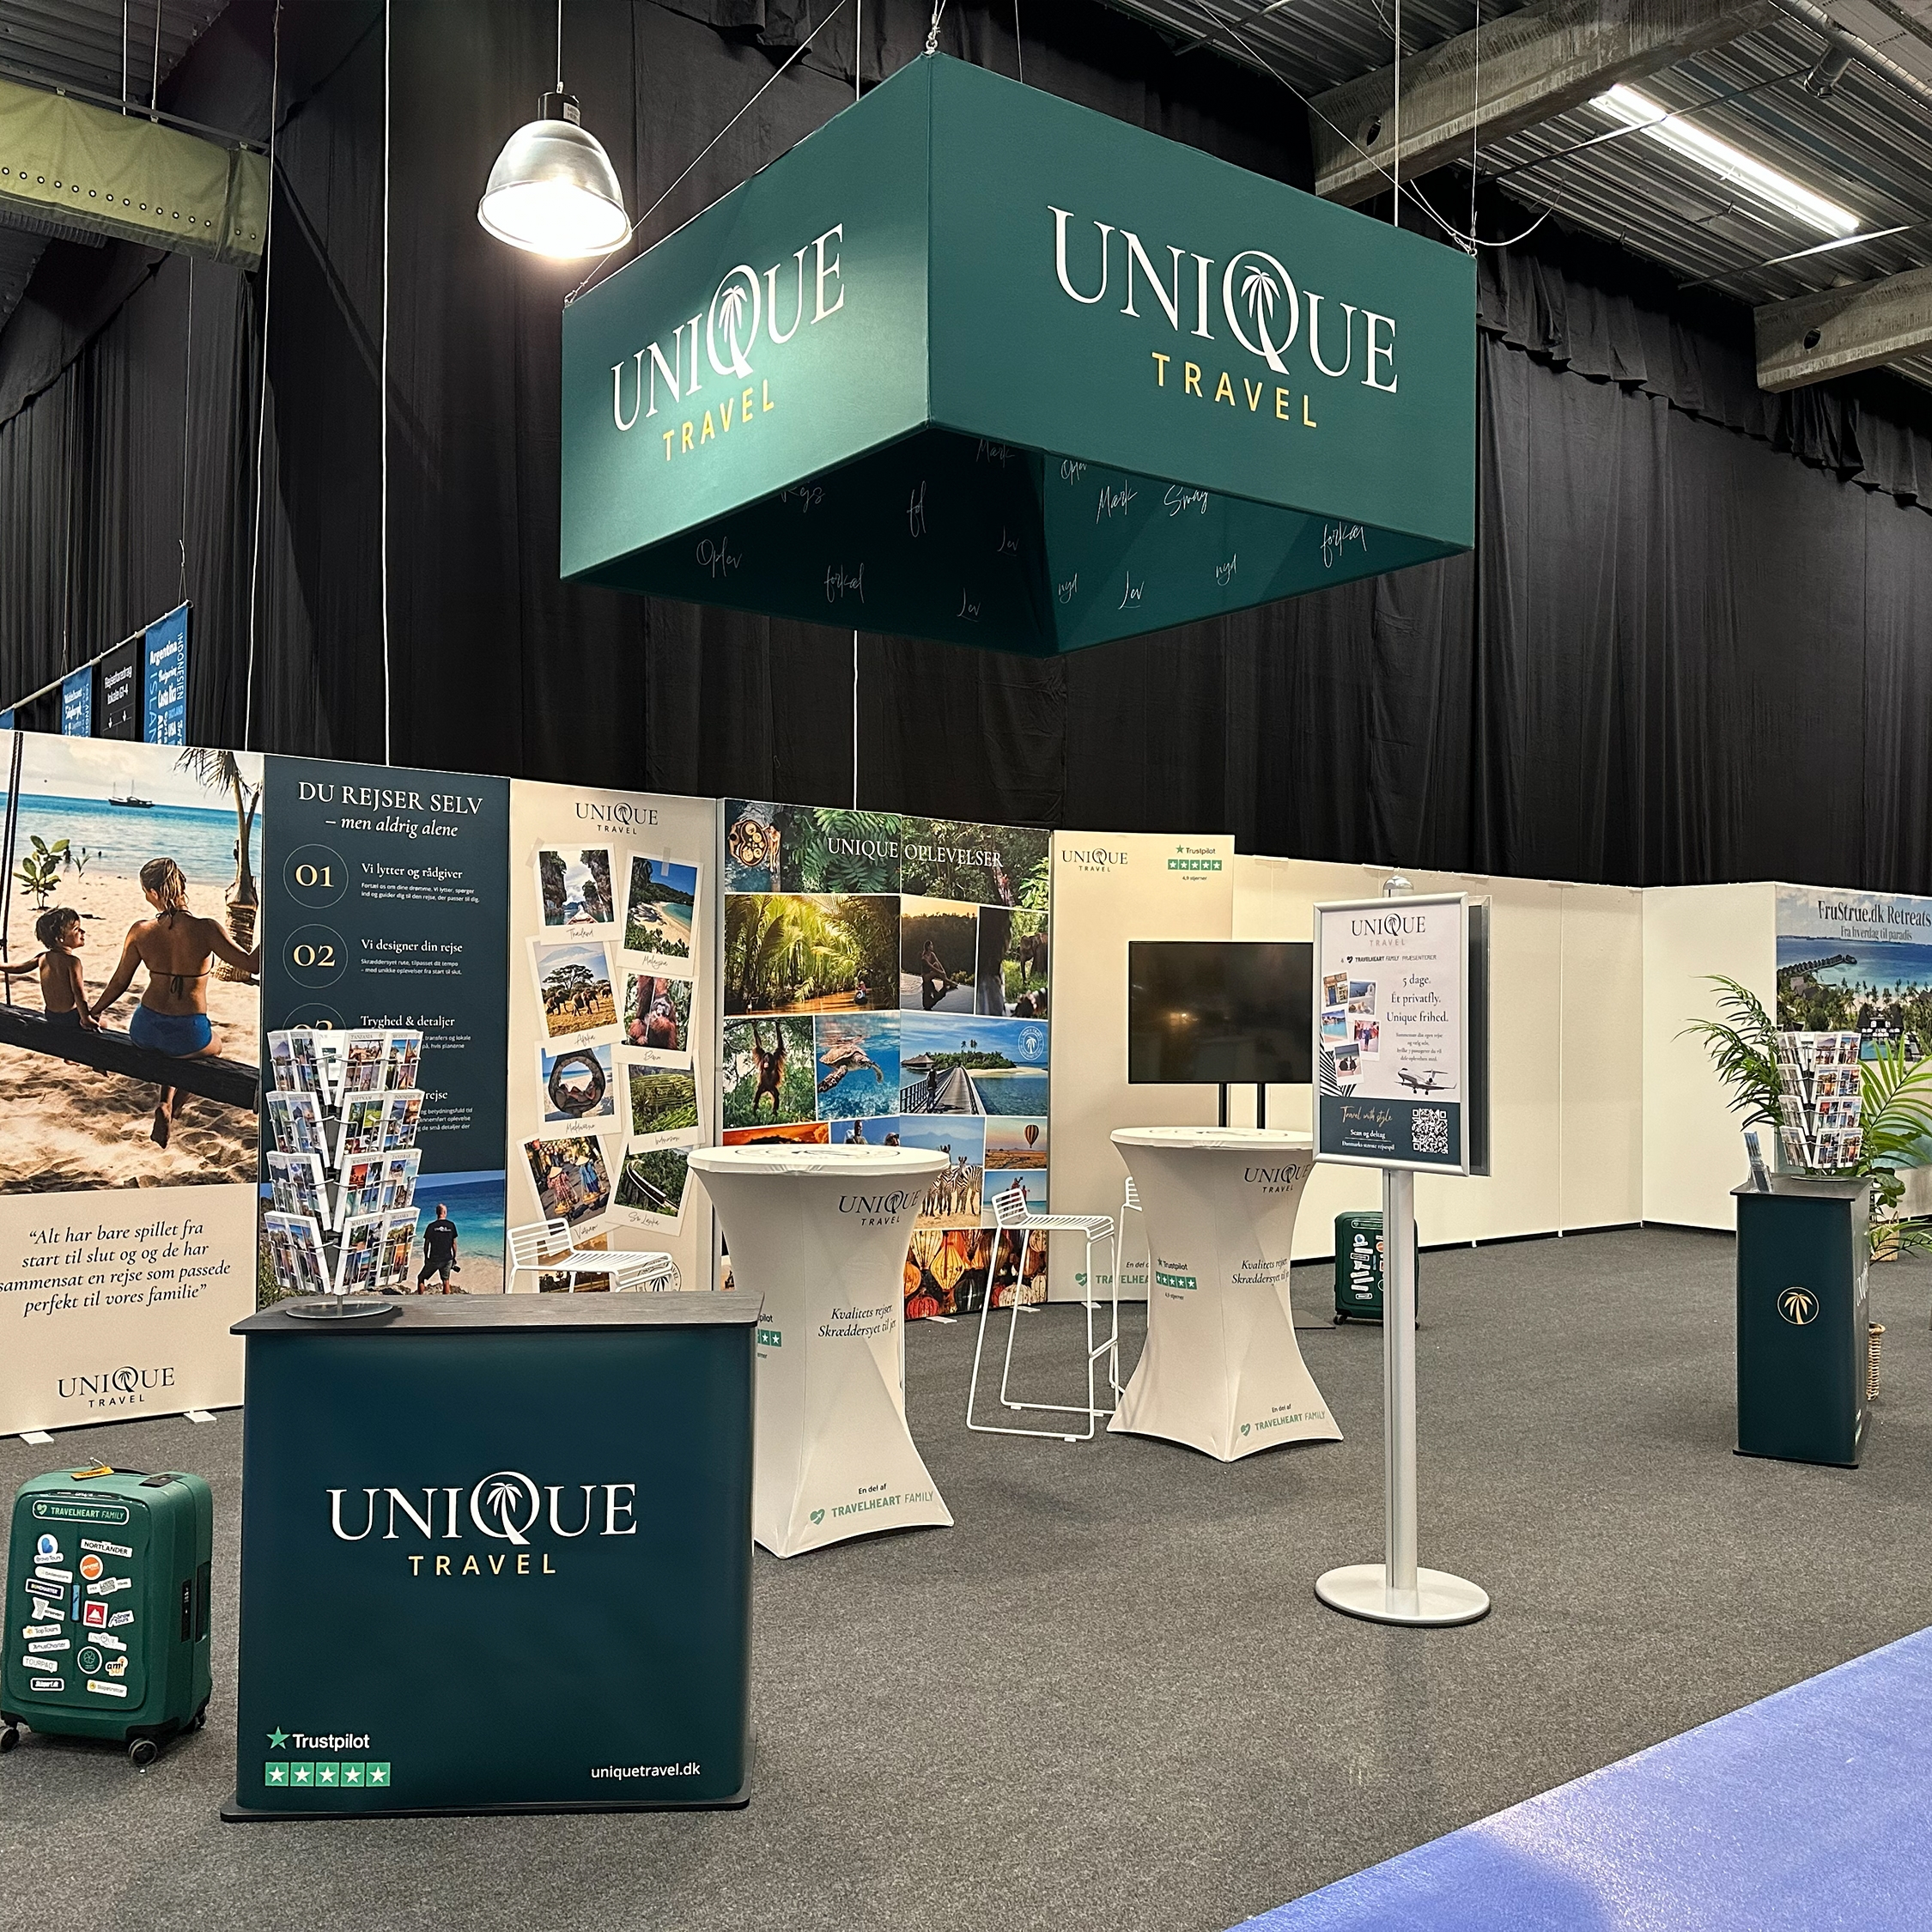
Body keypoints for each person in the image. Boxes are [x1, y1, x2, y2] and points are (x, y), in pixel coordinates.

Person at [90, 857, 258, 1147]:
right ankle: (175, 1106)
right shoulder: (206, 929)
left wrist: (94, 1011)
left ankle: (164, 1102)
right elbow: (251, 964)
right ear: (182, 885)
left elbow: (119, 982)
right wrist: (276, 926)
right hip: (188, 1033)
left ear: (154, 893)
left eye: (145, 892)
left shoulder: (140, 930)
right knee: (214, 1046)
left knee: (170, 1049)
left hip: (144, 1029)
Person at [0, 907, 100, 1030]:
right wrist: (85, 1018)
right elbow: (78, 993)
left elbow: (18, 968)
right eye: (76, 929)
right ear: (60, 938)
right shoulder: (73, 962)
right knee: (103, 1023)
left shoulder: (43, 957)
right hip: (71, 1017)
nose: (83, 931)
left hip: (51, 1015)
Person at [417, 1204, 460, 1291]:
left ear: (437, 1213)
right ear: (445, 1212)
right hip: (447, 1258)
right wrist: (454, 1257)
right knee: (446, 1281)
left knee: (421, 1278)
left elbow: (426, 1244)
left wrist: (426, 1257)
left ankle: (421, 1297)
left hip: (434, 1258)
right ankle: (445, 1300)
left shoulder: (431, 1226)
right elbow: (454, 1244)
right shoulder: (451, 1225)